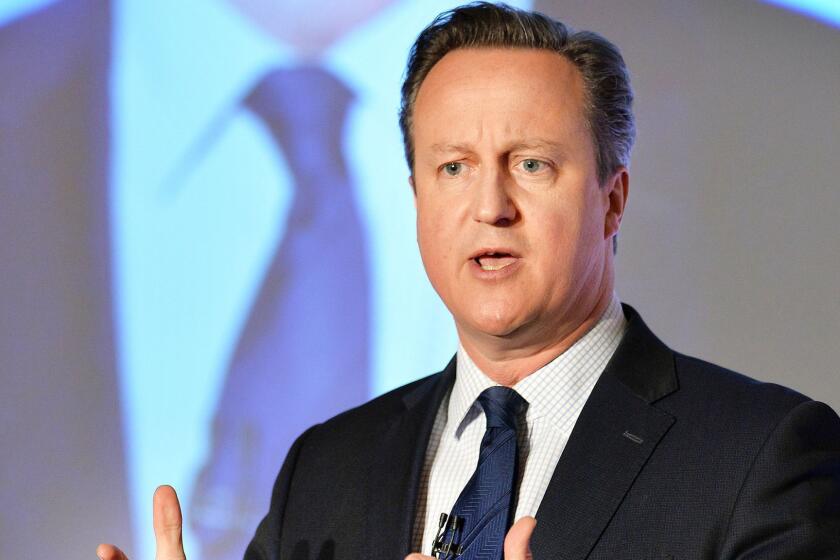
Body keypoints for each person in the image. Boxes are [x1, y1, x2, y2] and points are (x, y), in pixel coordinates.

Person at [97, 3, 840, 560]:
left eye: (531, 165)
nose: (490, 207)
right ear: (418, 198)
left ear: (613, 199)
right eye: (453, 168)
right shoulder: (325, 471)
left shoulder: (763, 455)